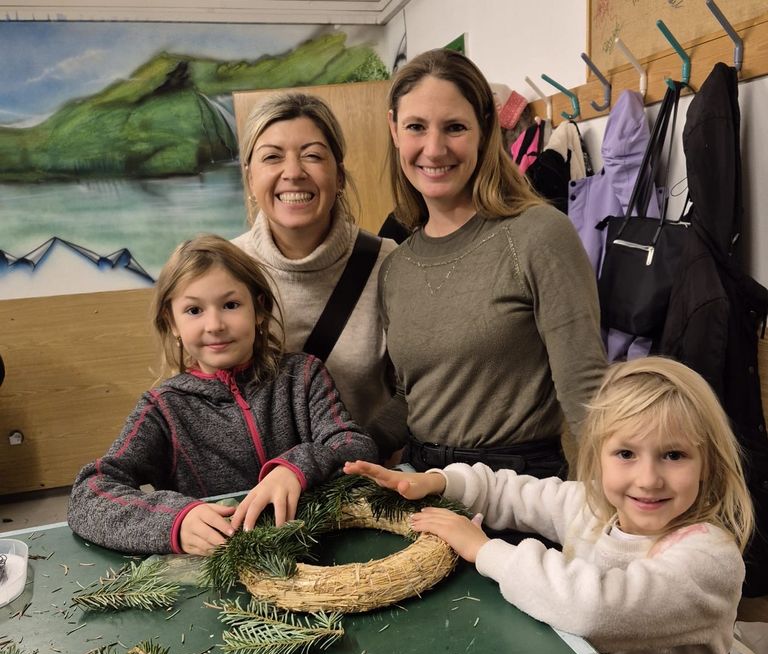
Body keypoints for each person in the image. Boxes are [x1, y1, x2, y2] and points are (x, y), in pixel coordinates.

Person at [345, 357, 754, 654]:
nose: (648, 479)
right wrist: (439, 481)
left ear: (708, 464)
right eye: (626, 453)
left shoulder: (709, 559)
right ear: (598, 456)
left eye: (674, 455)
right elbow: (507, 491)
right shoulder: (593, 506)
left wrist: (484, 550)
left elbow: (596, 609)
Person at [68, 235, 378, 557]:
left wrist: (295, 467)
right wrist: (175, 521)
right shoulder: (163, 408)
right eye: (193, 310)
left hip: (322, 550)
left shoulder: (303, 375)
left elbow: (354, 446)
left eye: (230, 305)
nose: (214, 325)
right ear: (170, 322)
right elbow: (89, 493)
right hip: (222, 570)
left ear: (260, 310)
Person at [374, 48, 607, 476]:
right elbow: (414, 398)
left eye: (455, 127)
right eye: (416, 127)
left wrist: (622, 507)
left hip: (520, 490)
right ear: (394, 130)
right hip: (422, 486)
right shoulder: (396, 266)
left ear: (485, 129)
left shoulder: (539, 234)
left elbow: (585, 392)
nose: (434, 147)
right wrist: (343, 450)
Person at [233, 92, 397, 438]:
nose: (293, 173)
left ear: (338, 175)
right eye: (272, 157)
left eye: (312, 156)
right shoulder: (225, 270)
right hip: (258, 484)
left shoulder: (388, 263)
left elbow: (414, 394)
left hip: (361, 479)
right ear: (250, 178)